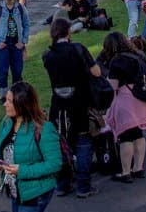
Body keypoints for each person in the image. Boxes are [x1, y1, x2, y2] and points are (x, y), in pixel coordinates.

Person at [0, 81, 62, 212]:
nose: (5, 104)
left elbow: (54, 164)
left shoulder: (43, 128)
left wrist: (22, 170)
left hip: (36, 192)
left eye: (10, 101)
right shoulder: (6, 122)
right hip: (16, 190)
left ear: (23, 104)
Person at [41, 17, 102, 198]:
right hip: (79, 102)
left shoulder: (48, 55)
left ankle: (63, 183)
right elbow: (96, 72)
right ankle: (83, 185)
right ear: (68, 31)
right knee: (83, 142)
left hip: (58, 104)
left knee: (61, 144)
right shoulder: (78, 49)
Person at [99, 31, 146, 183]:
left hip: (126, 101)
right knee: (138, 134)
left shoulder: (116, 61)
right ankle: (138, 168)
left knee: (126, 137)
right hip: (143, 100)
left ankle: (125, 172)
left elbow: (113, 86)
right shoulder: (138, 55)